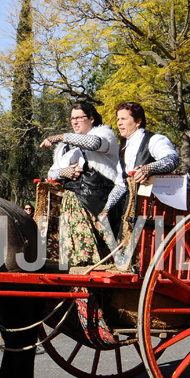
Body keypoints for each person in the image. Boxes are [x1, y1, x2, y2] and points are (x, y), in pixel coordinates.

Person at [40, 101, 120, 265]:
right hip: (73, 203)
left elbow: (93, 143)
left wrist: (60, 136)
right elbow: (51, 173)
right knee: (76, 254)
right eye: (72, 118)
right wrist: (64, 172)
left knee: (108, 250)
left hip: (100, 199)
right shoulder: (64, 147)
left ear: (91, 119)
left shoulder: (104, 135)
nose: (74, 122)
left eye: (79, 118)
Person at [99, 101, 180, 228]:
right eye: (118, 119)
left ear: (138, 121)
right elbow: (121, 184)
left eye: (124, 119)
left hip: (156, 212)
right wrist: (106, 209)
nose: (119, 123)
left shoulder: (154, 140)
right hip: (132, 213)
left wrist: (149, 168)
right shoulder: (123, 149)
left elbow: (172, 159)